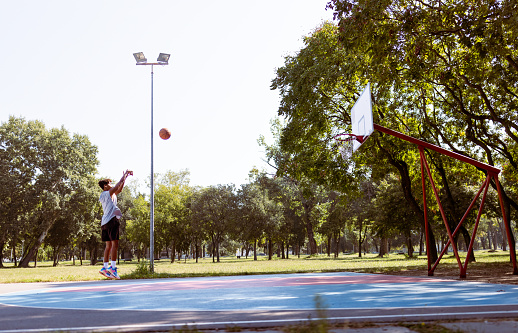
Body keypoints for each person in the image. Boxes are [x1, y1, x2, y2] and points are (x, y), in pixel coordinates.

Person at [98, 170, 132, 279]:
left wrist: (125, 179)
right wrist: (125, 174)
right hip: (112, 221)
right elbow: (117, 186)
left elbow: (120, 188)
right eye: (109, 183)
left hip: (104, 223)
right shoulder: (107, 193)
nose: (111, 185)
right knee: (115, 245)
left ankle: (104, 267)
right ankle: (112, 268)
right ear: (105, 186)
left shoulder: (109, 194)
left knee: (108, 246)